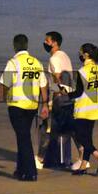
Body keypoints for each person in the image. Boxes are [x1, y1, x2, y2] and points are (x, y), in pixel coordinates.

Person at [0, 34, 49, 181]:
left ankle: (31, 172)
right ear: (27, 45)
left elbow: (4, 84)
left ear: (15, 46)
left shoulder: (14, 62)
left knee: (23, 137)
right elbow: (43, 85)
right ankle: (20, 169)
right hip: (32, 105)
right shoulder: (36, 63)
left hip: (17, 106)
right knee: (22, 136)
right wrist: (45, 104)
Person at [36, 31, 87, 170]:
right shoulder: (64, 55)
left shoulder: (54, 59)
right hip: (69, 97)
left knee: (46, 128)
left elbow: (58, 77)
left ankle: (40, 159)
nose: (45, 43)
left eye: (47, 41)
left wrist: (54, 97)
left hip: (59, 96)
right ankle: (84, 155)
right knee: (70, 128)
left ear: (54, 42)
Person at [63, 43, 98, 175]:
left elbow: (78, 93)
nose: (80, 55)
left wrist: (65, 94)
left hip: (84, 108)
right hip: (96, 108)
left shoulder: (82, 71)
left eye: (81, 52)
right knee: (88, 137)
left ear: (86, 55)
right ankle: (83, 166)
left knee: (81, 136)